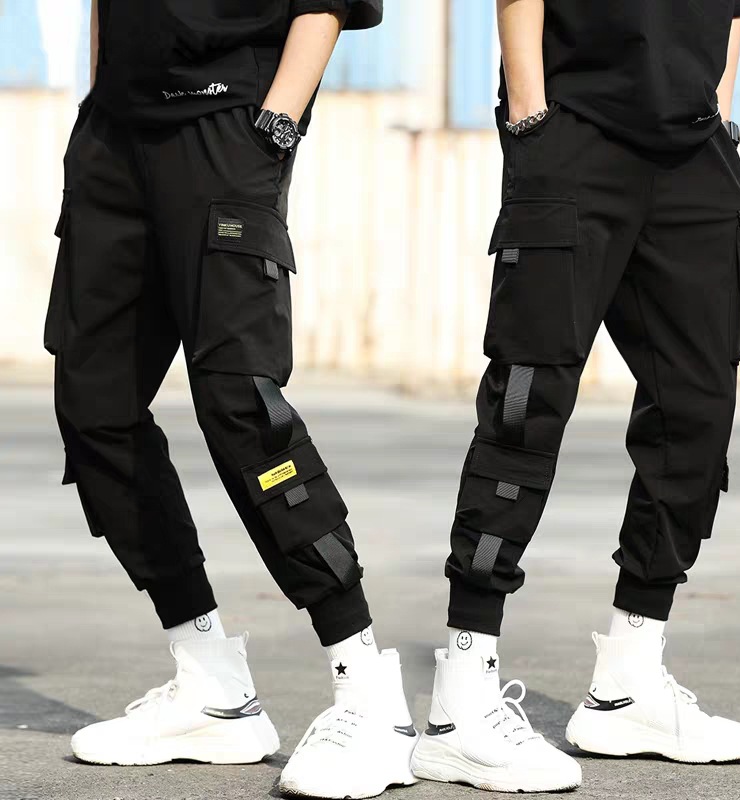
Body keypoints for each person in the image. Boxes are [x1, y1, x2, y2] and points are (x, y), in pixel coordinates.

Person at [43, 2, 418, 797]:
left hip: (226, 123)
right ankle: (211, 687)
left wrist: (275, 124)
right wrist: (102, 93)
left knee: (243, 406)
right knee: (93, 403)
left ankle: (368, 693)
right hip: (115, 131)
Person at [410, 0, 740, 793]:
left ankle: (627, 683)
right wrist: (531, 120)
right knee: (525, 404)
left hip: (694, 152)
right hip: (573, 133)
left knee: (697, 410)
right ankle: (461, 698)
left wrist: (718, 114)